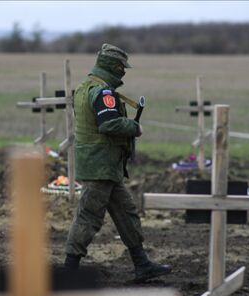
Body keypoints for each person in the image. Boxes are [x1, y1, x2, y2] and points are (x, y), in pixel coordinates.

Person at [64, 43, 172, 283]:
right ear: (114, 67)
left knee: (126, 213)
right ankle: (69, 272)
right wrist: (135, 127)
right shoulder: (103, 93)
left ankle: (142, 264)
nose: (124, 72)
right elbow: (108, 124)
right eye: (122, 67)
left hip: (105, 167)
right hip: (99, 166)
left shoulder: (84, 87)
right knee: (88, 217)